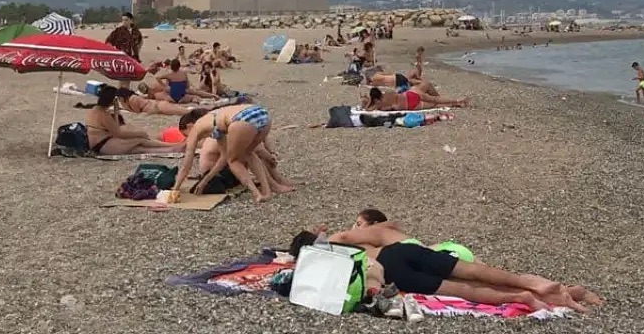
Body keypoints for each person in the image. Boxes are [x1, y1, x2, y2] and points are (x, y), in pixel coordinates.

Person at [319, 209, 601, 311]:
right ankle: (535, 284)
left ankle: (524, 296)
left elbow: (342, 237)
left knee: (462, 289)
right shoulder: (382, 232)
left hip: (392, 268)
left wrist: (326, 239)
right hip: (408, 253)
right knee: (479, 271)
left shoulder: (338, 248)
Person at [180, 102, 292, 202]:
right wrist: (269, 156)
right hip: (217, 174)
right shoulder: (216, 133)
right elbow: (256, 150)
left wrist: (271, 153)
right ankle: (272, 185)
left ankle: (276, 182)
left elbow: (263, 139)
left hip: (216, 172)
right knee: (250, 153)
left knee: (250, 151)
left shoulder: (216, 128)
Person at [84, 86, 175, 156]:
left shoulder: (94, 110)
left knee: (139, 149)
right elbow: (118, 133)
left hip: (100, 144)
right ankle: (171, 146)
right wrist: (139, 133)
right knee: (140, 140)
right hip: (104, 145)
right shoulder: (103, 114)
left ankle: (170, 149)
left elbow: (116, 128)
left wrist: (116, 111)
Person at [366, 86, 467, 111]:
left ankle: (458, 103)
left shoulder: (379, 105)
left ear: (374, 99)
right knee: (435, 99)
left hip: (409, 105)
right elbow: (399, 92)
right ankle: (458, 100)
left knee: (435, 104)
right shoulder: (388, 93)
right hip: (410, 94)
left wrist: (369, 101)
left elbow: (367, 109)